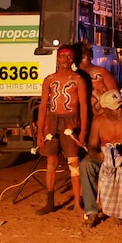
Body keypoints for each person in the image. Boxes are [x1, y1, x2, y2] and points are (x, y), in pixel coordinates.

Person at [80, 89, 122, 228]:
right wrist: (99, 155)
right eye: (116, 108)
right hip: (107, 159)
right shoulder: (99, 122)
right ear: (106, 109)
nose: (121, 109)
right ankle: (92, 212)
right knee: (86, 164)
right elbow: (92, 146)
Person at [35, 45, 88, 217]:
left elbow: (84, 106)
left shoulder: (78, 79)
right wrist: (40, 132)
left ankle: (78, 204)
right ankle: (50, 202)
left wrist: (82, 131)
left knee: (73, 163)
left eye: (69, 56)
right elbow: (43, 106)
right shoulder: (49, 79)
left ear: (73, 60)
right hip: (53, 121)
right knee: (51, 163)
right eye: (62, 56)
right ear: (57, 58)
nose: (65, 59)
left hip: (71, 121)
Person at [77, 40, 120, 116]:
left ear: (91, 57)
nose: (80, 61)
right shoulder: (75, 75)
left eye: (82, 57)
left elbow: (115, 93)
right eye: (77, 57)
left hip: (102, 116)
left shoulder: (102, 72)